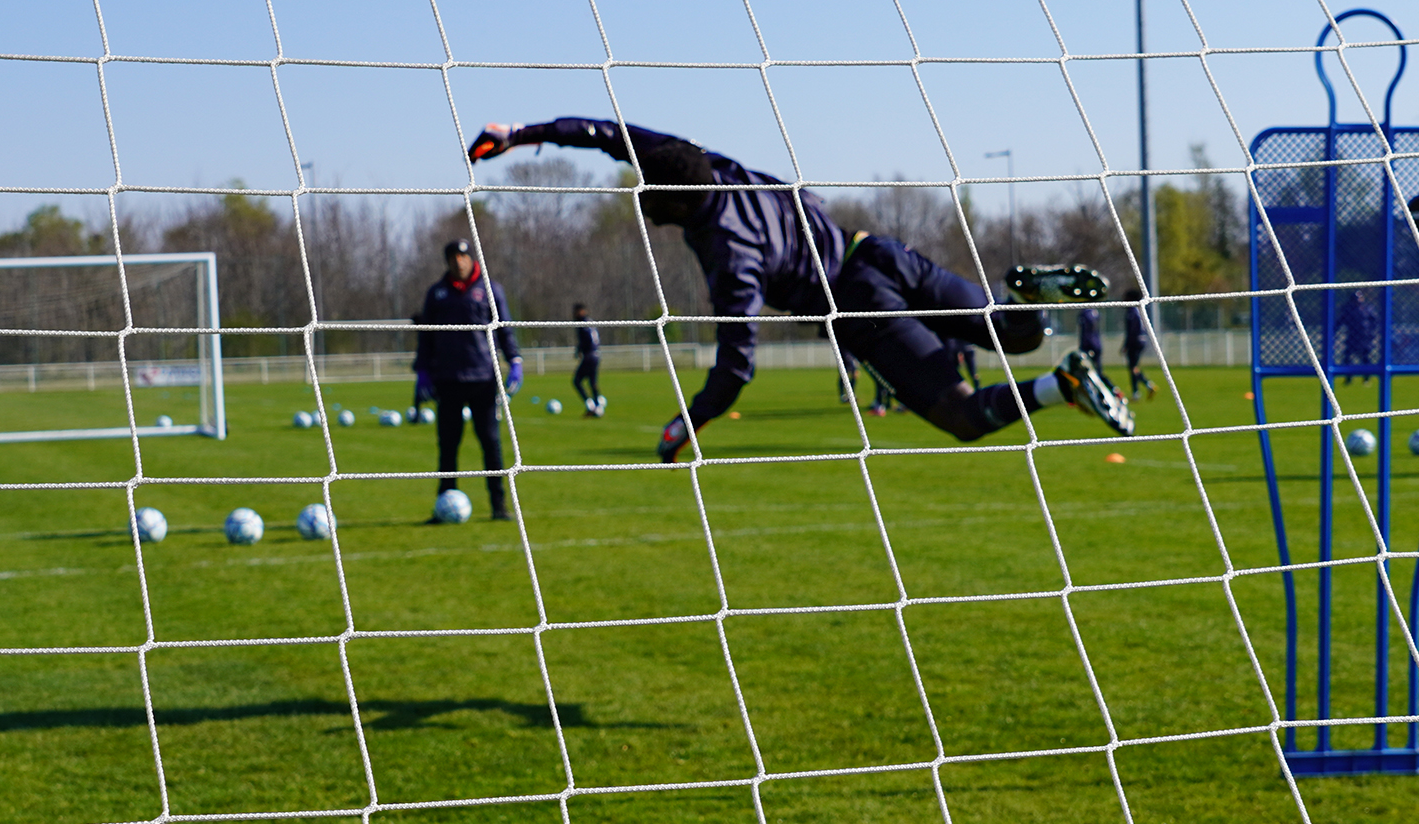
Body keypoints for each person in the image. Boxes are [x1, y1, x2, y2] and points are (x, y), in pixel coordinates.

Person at [468, 118, 1132, 459]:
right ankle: (1026, 297)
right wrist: (518, 134)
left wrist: (689, 423)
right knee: (1014, 334)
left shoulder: (731, 259)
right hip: (878, 252)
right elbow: (607, 133)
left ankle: (1063, 385)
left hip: (858, 308)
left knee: (960, 415)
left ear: (666, 210)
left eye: (647, 196)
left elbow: (736, 367)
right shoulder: (710, 164)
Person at [413, 238, 523, 521]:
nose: (458, 262)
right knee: (447, 446)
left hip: (483, 379)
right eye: (453, 257)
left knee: (490, 443)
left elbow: (504, 330)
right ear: (447, 261)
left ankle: (499, 506)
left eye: (463, 256)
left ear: (470, 259)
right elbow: (426, 337)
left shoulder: (490, 290)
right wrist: (422, 371)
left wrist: (515, 362)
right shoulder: (436, 293)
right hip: (447, 380)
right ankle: (442, 507)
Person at [1336, 289, 1378, 385]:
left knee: (1365, 358)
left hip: (1365, 337)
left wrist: (1372, 333)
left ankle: (1366, 378)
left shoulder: (1368, 309)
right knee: (1347, 358)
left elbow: (1374, 321)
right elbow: (1340, 321)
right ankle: (1348, 378)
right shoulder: (1348, 310)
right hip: (1352, 337)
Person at [1122, 290, 1156, 401]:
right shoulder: (1138, 310)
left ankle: (1142, 388)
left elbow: (1132, 331)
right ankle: (1141, 389)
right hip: (1141, 341)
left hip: (1135, 342)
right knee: (1134, 367)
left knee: (1133, 368)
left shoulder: (1131, 311)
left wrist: (1126, 345)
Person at [572, 302, 605, 416]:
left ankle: (591, 406)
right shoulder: (589, 321)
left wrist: (580, 350)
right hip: (596, 355)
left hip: (589, 355)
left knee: (577, 381)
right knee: (592, 382)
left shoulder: (582, 323)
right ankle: (598, 406)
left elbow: (586, 340)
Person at [1077, 307, 1103, 376]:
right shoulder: (1095, 311)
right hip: (1096, 342)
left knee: (1085, 367)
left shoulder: (1085, 313)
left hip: (1089, 344)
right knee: (1097, 367)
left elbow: (1087, 330)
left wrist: (1085, 345)